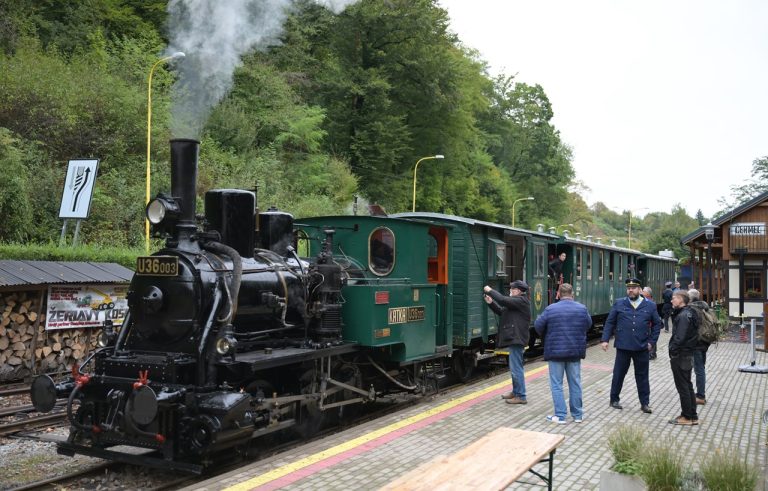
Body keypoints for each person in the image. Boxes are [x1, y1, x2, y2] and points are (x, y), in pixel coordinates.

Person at [601, 277, 662, 413]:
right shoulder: (619, 303)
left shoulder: (650, 305)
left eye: (633, 288)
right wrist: (605, 339)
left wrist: (652, 342)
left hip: (642, 347)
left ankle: (645, 403)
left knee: (642, 376)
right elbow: (610, 322)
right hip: (623, 346)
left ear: (640, 289)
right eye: (628, 288)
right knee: (618, 374)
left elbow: (657, 325)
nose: (630, 290)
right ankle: (614, 399)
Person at [534, 283, 593, 424]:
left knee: (556, 384)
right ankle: (577, 415)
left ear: (558, 294)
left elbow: (538, 326)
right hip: (574, 352)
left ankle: (560, 415)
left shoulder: (550, 309)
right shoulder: (582, 308)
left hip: (555, 352)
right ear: (572, 294)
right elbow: (588, 325)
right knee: (575, 383)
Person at [484, 280, 531, 405]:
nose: (510, 291)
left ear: (519, 291)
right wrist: (491, 303)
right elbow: (502, 311)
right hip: (514, 338)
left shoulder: (521, 301)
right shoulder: (516, 303)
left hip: (517, 338)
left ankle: (521, 395)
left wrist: (490, 290)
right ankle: (516, 392)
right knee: (514, 367)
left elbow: (503, 300)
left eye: (512, 289)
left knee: (516, 368)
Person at [668, 289, 699, 425]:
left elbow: (679, 337)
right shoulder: (690, 313)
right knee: (687, 384)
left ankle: (687, 417)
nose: (671, 300)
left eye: (674, 298)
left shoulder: (683, 316)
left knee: (683, 386)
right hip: (687, 353)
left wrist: (672, 350)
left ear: (681, 299)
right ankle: (692, 415)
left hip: (681, 355)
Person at [688, 289, 709, 405]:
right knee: (701, 368)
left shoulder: (693, 309)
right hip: (705, 342)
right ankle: (700, 393)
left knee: (699, 369)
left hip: (696, 343)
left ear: (690, 298)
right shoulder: (704, 307)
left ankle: (701, 396)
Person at [642, 287, 658, 360]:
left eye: (643, 291)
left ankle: (652, 353)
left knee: (652, 338)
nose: (642, 292)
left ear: (647, 293)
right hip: (648, 323)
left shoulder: (650, 302)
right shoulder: (646, 300)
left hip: (650, 323)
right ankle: (652, 353)